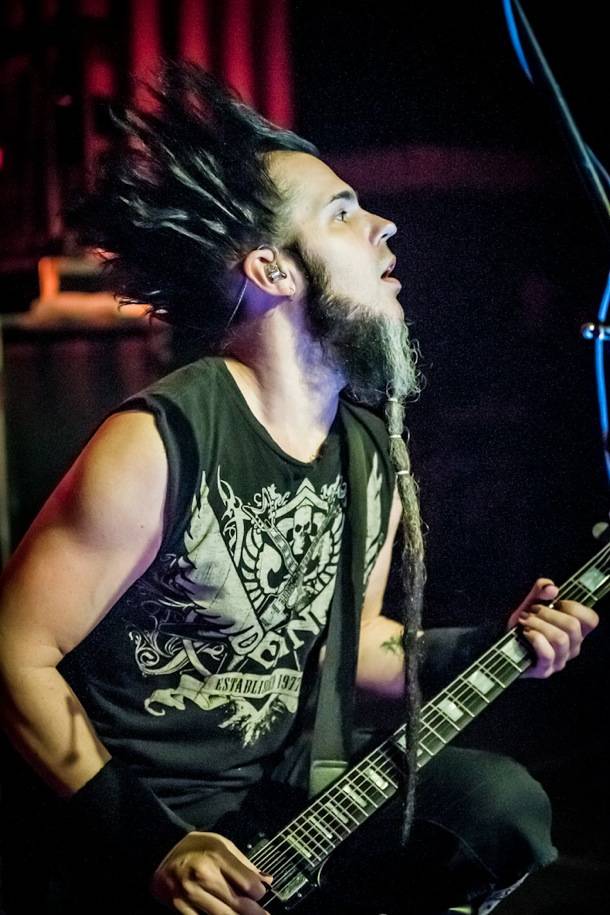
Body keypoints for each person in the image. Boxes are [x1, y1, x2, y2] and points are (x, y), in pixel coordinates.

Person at [0, 63, 599, 915]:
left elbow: (350, 648)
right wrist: (149, 844)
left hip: (288, 805)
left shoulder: (368, 450)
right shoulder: (161, 440)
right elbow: (14, 649)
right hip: (147, 829)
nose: (385, 226)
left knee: (495, 805)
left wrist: (495, 644)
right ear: (273, 270)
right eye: (344, 214)